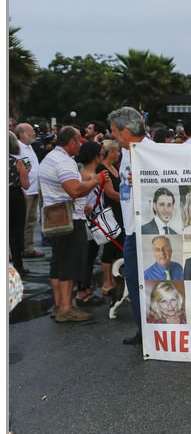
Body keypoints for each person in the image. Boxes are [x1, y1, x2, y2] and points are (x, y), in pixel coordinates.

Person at [40, 126, 107, 323]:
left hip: (55, 216)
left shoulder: (50, 157)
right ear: (71, 142)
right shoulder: (64, 162)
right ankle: (67, 309)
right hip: (69, 219)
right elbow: (75, 190)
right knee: (69, 263)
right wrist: (96, 180)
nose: (80, 145)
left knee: (58, 263)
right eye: (78, 141)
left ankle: (59, 304)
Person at [109, 106, 152, 344]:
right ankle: (142, 330)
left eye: (115, 131)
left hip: (148, 229)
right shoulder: (126, 152)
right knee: (133, 283)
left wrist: (146, 177)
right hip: (131, 229)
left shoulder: (153, 152)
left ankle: (157, 331)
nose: (113, 136)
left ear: (126, 130)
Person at [75, 140, 106, 306]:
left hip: (94, 219)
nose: (102, 157)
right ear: (95, 157)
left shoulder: (94, 174)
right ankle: (81, 291)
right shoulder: (84, 176)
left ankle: (85, 288)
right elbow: (79, 196)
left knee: (91, 255)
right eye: (100, 154)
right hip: (87, 222)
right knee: (86, 257)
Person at [96, 139, 123, 296]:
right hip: (110, 210)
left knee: (117, 242)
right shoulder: (103, 169)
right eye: (117, 151)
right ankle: (106, 282)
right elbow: (110, 193)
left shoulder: (113, 167)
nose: (119, 153)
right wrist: (127, 199)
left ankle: (113, 277)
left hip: (118, 209)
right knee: (109, 244)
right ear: (111, 152)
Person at [15, 123, 44, 259]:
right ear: (22, 134)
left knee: (32, 220)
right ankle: (20, 248)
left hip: (34, 188)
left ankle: (28, 247)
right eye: (31, 131)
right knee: (24, 221)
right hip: (26, 189)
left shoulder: (29, 147)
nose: (34, 133)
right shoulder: (19, 148)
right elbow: (27, 167)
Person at [8, 131, 31, 275]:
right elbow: (26, 185)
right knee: (16, 231)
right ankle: (18, 264)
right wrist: (26, 172)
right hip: (14, 195)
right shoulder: (19, 162)